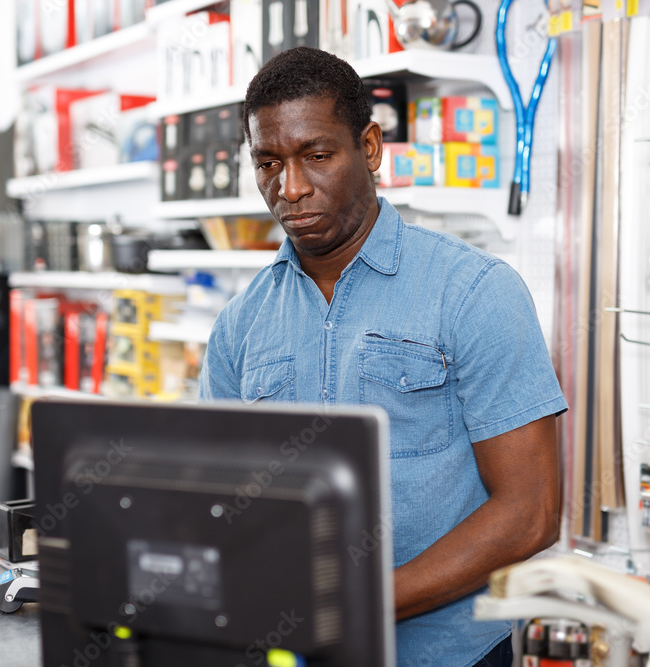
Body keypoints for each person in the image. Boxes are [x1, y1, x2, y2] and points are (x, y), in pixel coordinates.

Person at [198, 46, 567, 667]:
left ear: (369, 148)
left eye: (316, 156)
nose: (289, 188)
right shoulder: (241, 324)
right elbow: (221, 501)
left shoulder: (473, 292)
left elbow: (530, 513)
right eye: (268, 163)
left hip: (447, 656)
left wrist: (356, 602)